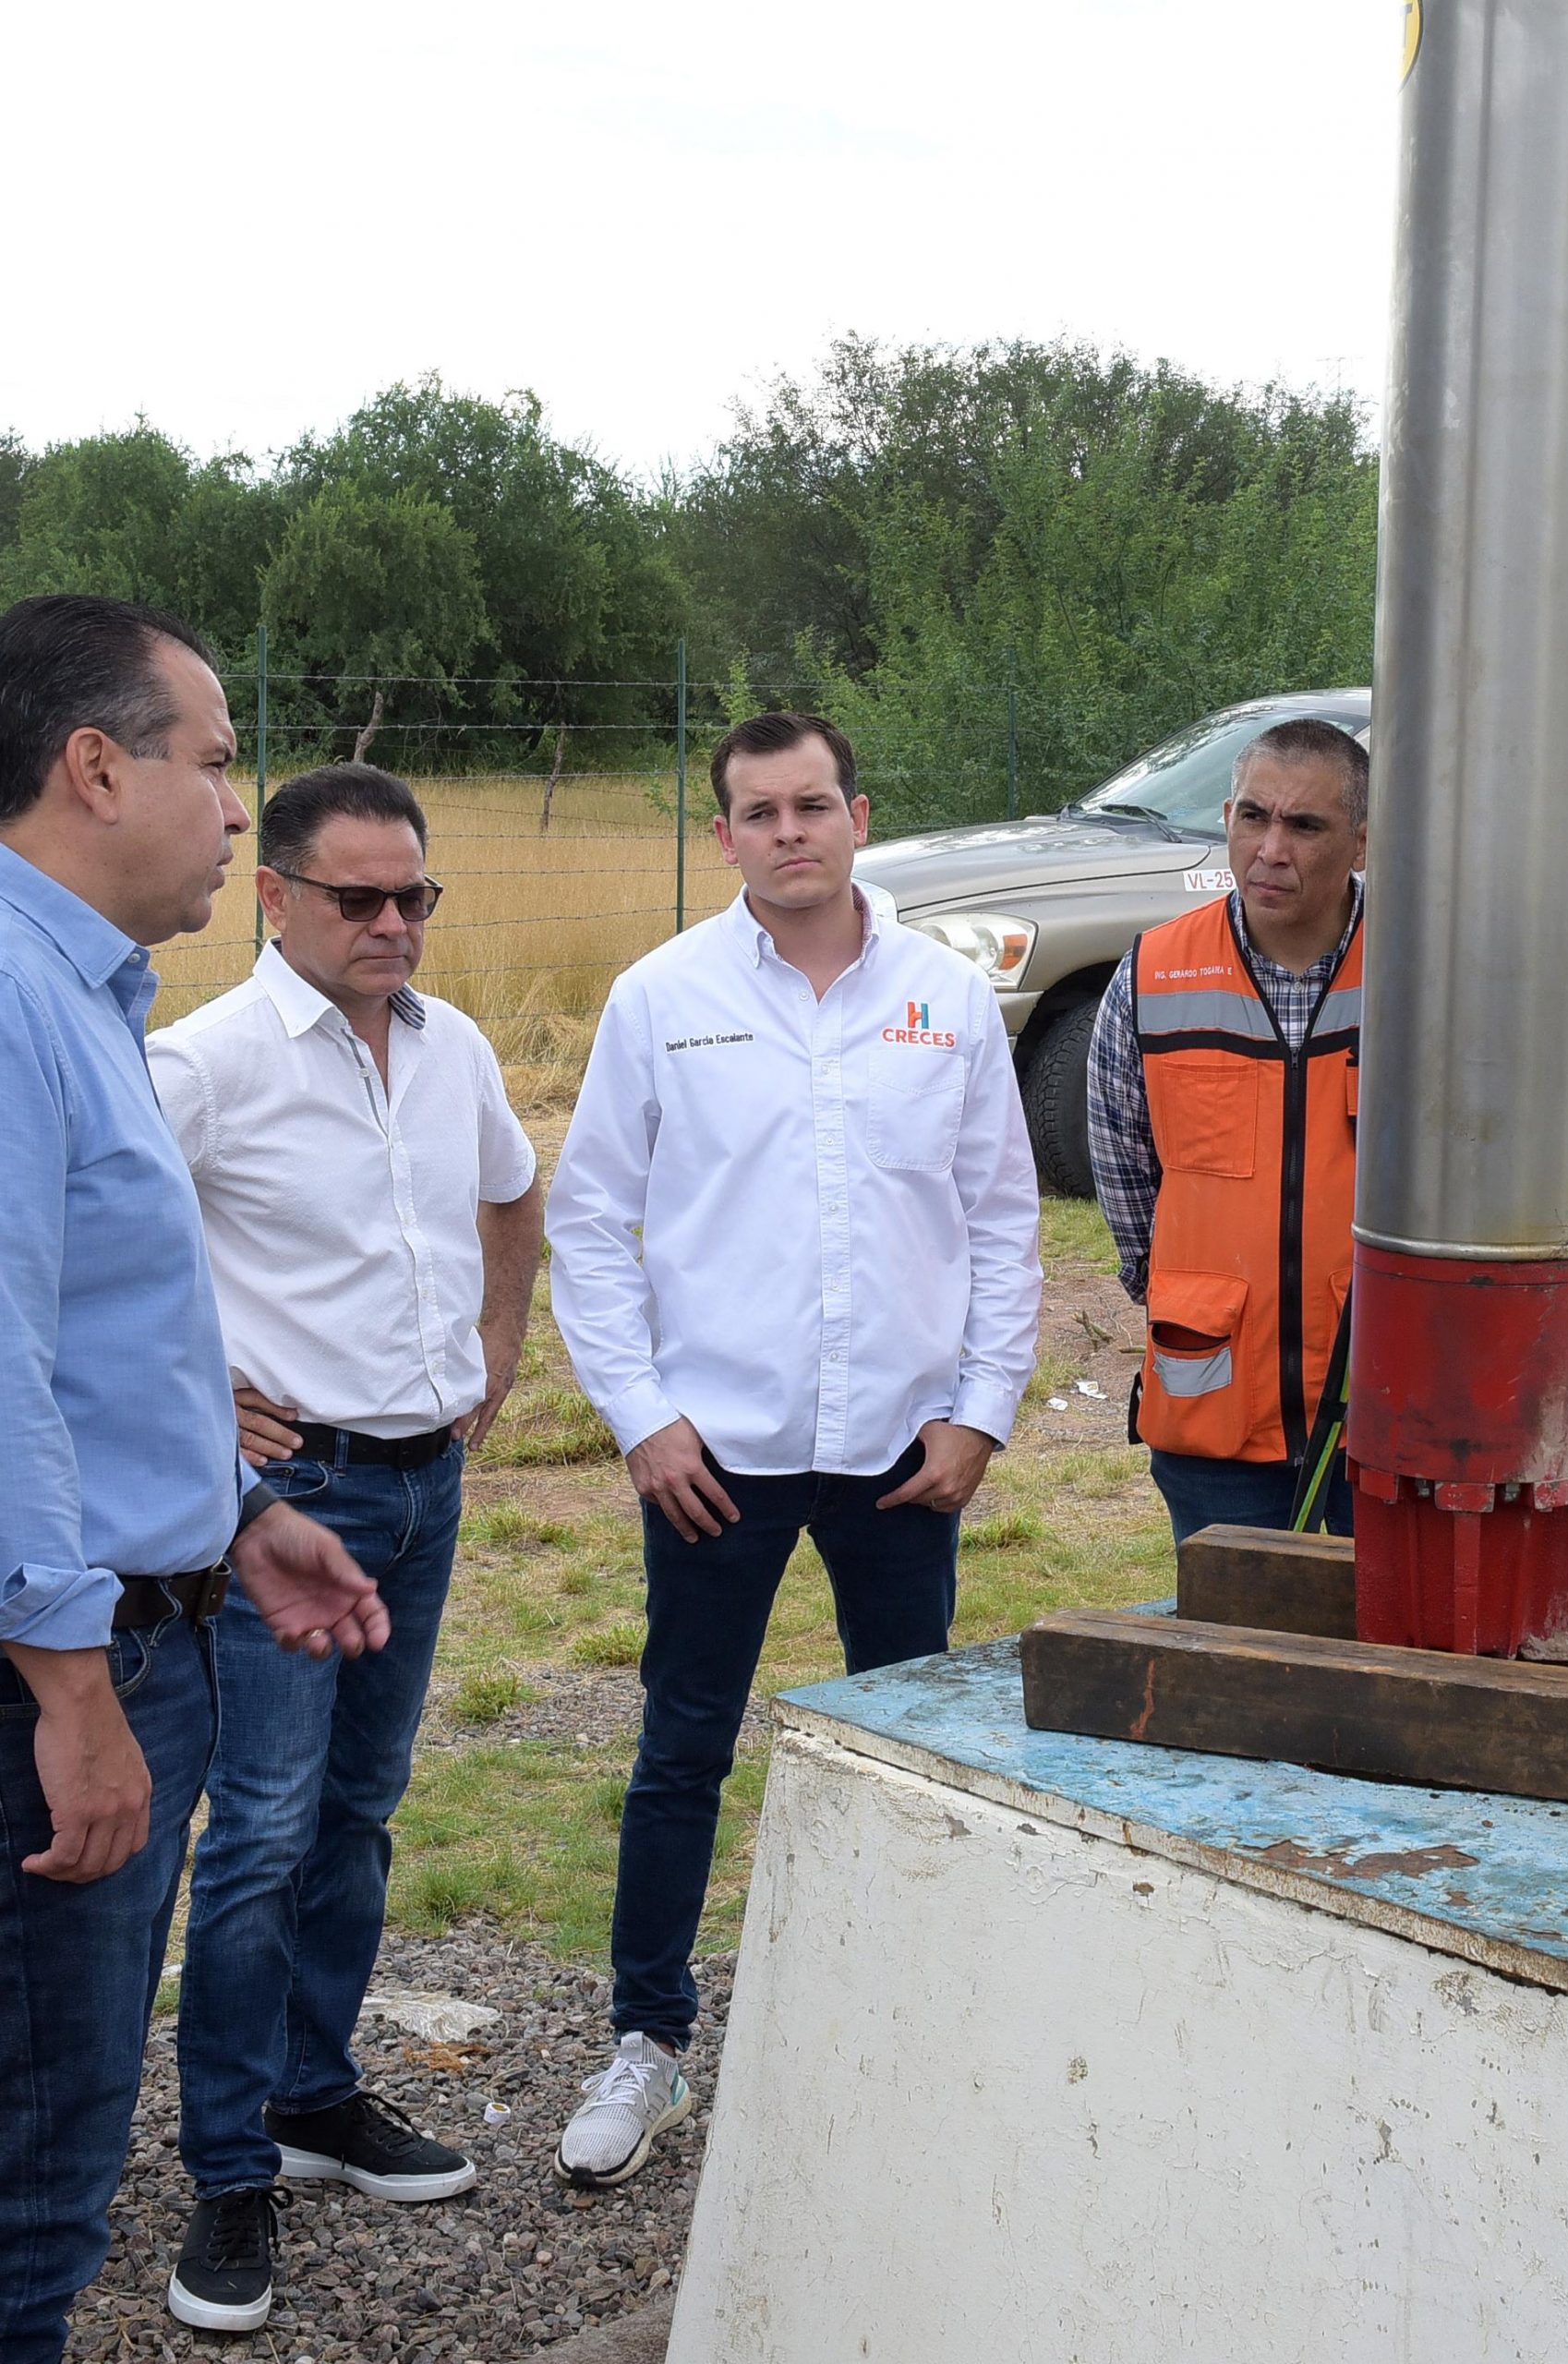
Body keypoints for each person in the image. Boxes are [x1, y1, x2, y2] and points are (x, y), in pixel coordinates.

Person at [545, 709, 1040, 2189]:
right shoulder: (662, 996)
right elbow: (589, 1219)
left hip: (904, 1448)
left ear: (858, 813)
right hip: (719, 1452)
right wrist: (641, 1416)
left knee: (914, 1747)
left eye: (811, 805)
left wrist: (980, 1409)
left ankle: (907, 2027)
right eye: (757, 814)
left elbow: (1005, 1219)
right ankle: (647, 2043)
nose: (788, 835)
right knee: (681, 1747)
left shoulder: (947, 1000)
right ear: (725, 836)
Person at [0, 596, 387, 2364]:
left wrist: (237, 1520)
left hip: (136, 1627)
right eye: (217, 764)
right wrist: (71, 1690)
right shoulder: (14, 1005)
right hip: (56, 1679)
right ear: (96, 766)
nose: (241, 811)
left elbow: (92, 1347)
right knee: (37, 2181)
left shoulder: (77, 997)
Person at [145, 762, 544, 2332]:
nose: (393, 927)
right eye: (359, 898)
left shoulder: (452, 1052)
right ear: (277, 896)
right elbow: (81, 1256)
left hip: (423, 1488)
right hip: (285, 1510)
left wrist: (495, 1357)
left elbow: (514, 1202)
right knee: (256, 1835)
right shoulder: (205, 1063)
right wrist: (197, 1410)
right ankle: (228, 2169)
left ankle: (316, 2097)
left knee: (360, 1812)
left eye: (417, 899)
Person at [1087, 717, 1367, 1545]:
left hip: (1380, 1406)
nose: (1270, 848)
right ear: (1226, 816)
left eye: (1304, 825)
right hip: (1213, 1406)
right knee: (1237, 1657)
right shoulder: (1154, 972)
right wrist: (1179, 1284)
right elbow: (1124, 1165)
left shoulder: (1419, 975)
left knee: (1379, 1660)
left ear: (1359, 841)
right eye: (1253, 816)